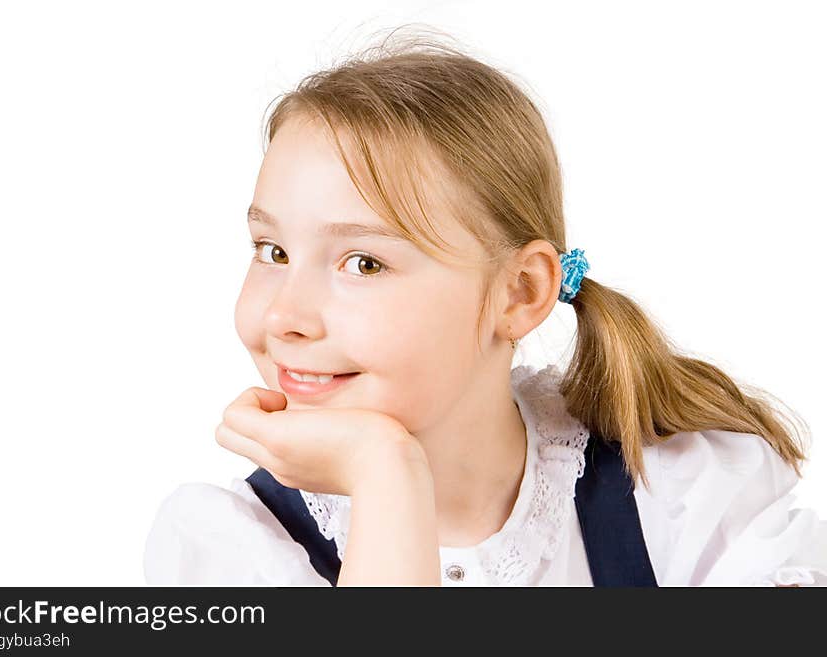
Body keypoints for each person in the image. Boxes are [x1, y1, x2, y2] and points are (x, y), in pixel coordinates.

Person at [143, 27, 826, 586]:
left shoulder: (678, 498)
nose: (286, 316)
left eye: (364, 262)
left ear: (521, 292)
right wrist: (386, 478)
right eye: (273, 251)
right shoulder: (232, 552)